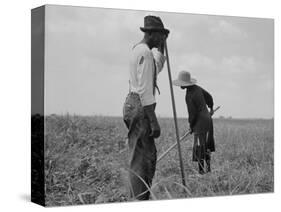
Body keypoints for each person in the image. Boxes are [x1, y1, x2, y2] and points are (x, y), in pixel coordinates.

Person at [122, 15, 169, 200]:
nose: (160, 39)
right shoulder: (145, 53)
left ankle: (136, 196)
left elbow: (155, 67)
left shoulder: (139, 50)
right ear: (150, 33)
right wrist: (154, 121)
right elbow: (145, 91)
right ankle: (139, 199)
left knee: (139, 155)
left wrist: (162, 47)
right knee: (144, 159)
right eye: (159, 35)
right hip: (141, 106)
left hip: (130, 103)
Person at [173, 71, 215, 174]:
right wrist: (211, 108)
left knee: (200, 146)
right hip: (208, 120)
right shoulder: (197, 88)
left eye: (181, 83)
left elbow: (193, 114)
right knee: (207, 145)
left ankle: (201, 172)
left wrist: (191, 126)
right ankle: (208, 169)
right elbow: (209, 96)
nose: (180, 86)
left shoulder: (189, 95)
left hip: (200, 123)